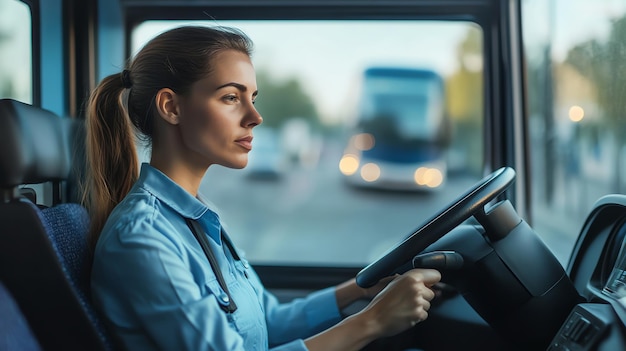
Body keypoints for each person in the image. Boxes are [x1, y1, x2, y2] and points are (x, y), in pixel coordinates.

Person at [84, 25, 441, 351]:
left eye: (252, 98)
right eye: (230, 97)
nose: (255, 117)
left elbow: (267, 321)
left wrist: (359, 290)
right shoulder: (143, 238)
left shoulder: (199, 218)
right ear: (171, 107)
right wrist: (373, 321)